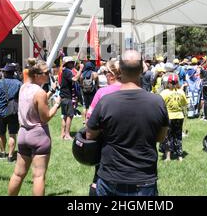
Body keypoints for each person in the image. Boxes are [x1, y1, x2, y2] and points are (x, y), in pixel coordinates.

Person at [87, 50, 169, 196]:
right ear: (141, 70)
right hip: (144, 178)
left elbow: (90, 135)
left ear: (121, 70)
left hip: (110, 177)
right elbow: (160, 137)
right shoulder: (157, 102)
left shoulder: (106, 101)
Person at [8, 60, 61, 196]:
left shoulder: (24, 87)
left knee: (18, 174)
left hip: (23, 134)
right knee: (38, 176)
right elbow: (46, 117)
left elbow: (34, 102)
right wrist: (56, 105)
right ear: (37, 75)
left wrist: (50, 92)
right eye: (46, 73)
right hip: (38, 136)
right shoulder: (40, 92)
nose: (48, 75)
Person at [85, 60, 122, 195]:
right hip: (130, 144)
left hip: (106, 143)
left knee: (99, 177)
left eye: (106, 72)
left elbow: (90, 118)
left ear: (112, 75)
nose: (105, 75)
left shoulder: (102, 92)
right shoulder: (133, 90)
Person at [0, 64, 22, 162]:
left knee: (1, 133)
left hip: (0, 112)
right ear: (13, 73)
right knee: (12, 134)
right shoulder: (19, 83)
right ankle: (11, 156)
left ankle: (2, 153)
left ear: (5, 73)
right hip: (13, 112)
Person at [160, 74, 187, 161]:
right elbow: (184, 104)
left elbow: (160, 105)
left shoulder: (164, 93)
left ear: (168, 83)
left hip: (168, 117)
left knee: (167, 136)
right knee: (178, 136)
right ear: (177, 83)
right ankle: (180, 156)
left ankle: (168, 157)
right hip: (179, 116)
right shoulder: (181, 92)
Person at [59, 56, 83, 140]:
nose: (73, 64)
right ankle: (67, 135)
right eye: (71, 62)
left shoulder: (64, 71)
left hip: (64, 96)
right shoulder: (68, 72)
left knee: (64, 116)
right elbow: (75, 79)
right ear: (68, 63)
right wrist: (80, 69)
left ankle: (62, 134)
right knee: (70, 115)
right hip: (67, 97)